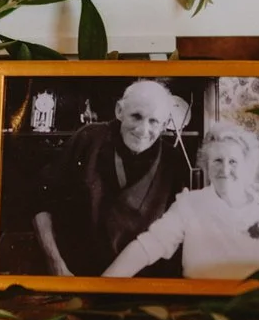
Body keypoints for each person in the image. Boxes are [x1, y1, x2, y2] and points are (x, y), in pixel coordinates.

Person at [32, 78, 194, 276]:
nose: (143, 130)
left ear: (165, 124)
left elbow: (177, 234)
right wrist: (55, 263)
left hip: (138, 283)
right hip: (72, 276)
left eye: (154, 121)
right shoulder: (88, 140)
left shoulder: (173, 163)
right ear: (119, 111)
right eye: (136, 116)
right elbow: (40, 203)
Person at [105, 125, 259, 281]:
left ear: (248, 166)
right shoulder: (189, 204)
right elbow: (147, 246)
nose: (224, 169)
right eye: (217, 160)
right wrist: (103, 286)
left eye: (233, 161)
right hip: (198, 307)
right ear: (206, 165)